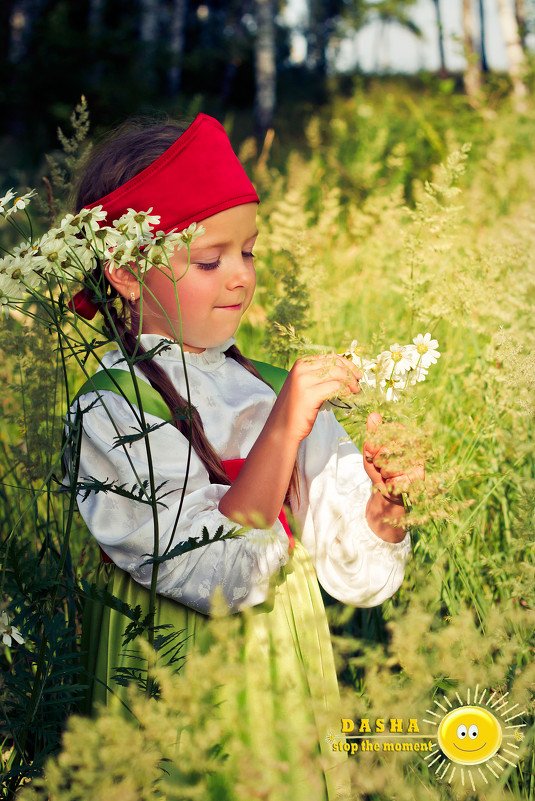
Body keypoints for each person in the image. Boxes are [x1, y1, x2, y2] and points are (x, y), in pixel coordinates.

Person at [67, 113, 417, 800]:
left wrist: (382, 510)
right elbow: (213, 572)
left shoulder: (261, 384)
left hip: (286, 664)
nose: (238, 279)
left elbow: (351, 573)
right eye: (208, 259)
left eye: (247, 252)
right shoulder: (111, 408)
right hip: (168, 670)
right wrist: (283, 428)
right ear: (127, 273)